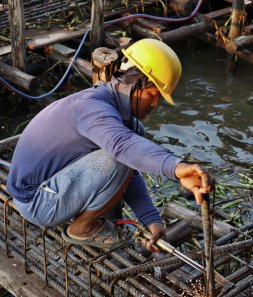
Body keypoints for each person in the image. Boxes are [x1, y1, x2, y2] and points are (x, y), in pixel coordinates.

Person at [6, 39, 214, 252]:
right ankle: (82, 228)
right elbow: (122, 149)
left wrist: (152, 220)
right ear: (134, 83)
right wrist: (176, 168)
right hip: (35, 201)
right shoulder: (93, 107)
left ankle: (86, 217)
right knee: (118, 155)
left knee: (126, 153)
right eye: (152, 95)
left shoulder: (126, 122)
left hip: (51, 187)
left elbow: (130, 173)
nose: (154, 105)